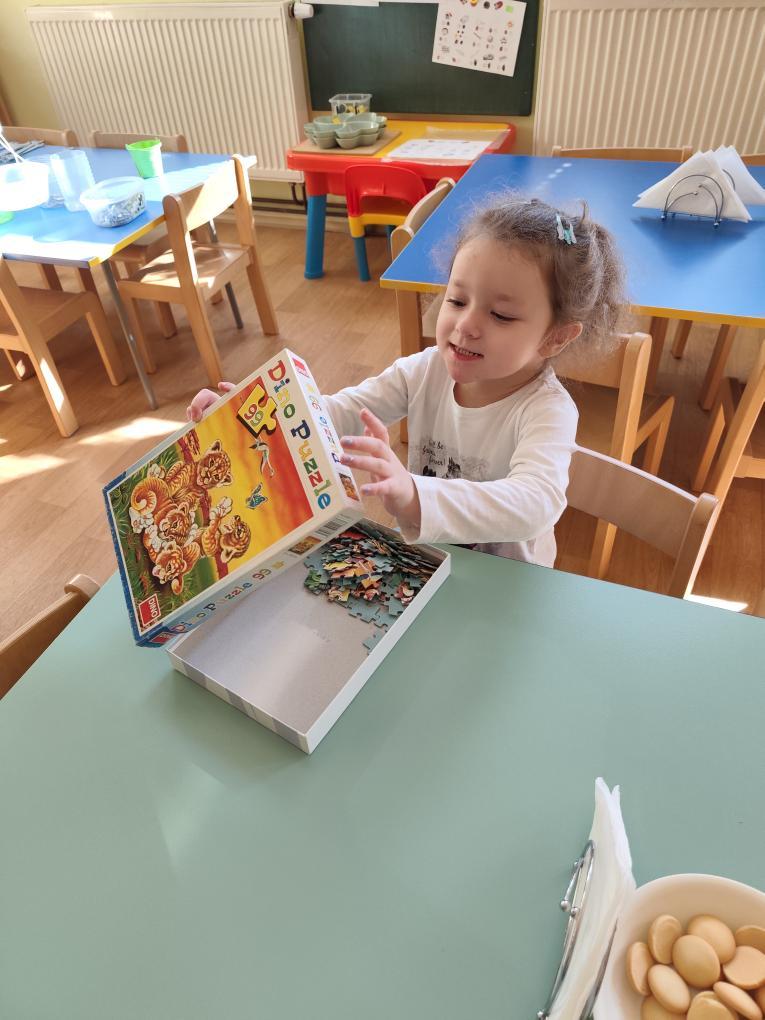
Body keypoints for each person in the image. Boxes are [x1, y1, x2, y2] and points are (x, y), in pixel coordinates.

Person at [188, 194, 625, 567]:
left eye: (501, 315)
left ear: (555, 337)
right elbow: (337, 414)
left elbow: (536, 503)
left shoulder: (547, 410)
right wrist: (251, 415)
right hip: (423, 561)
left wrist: (416, 496)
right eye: (457, 300)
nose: (465, 325)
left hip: (505, 586)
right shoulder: (424, 370)